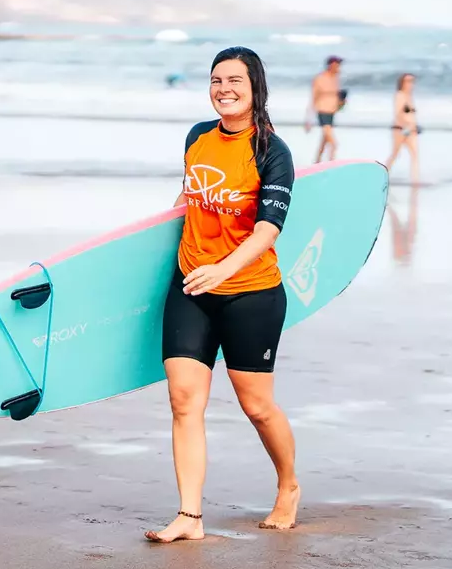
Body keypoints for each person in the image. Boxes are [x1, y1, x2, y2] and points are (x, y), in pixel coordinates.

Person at [146, 46, 299, 543]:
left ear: (255, 86)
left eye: (234, 80)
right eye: (215, 80)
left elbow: (268, 230)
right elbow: (189, 197)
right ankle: (190, 517)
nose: (223, 89)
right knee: (183, 399)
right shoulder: (197, 137)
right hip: (191, 283)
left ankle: (288, 486)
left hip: (250, 291)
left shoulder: (272, 152)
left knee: (256, 406)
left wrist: (224, 270)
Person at [385, 73, 421, 184]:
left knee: (415, 154)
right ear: (402, 83)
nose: (410, 84)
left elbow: (410, 114)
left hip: (410, 130)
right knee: (395, 153)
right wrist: (407, 125)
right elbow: (398, 113)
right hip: (400, 129)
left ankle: (415, 180)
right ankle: (383, 174)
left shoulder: (409, 96)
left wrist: (414, 126)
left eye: (412, 81)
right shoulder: (400, 95)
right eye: (408, 81)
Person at [309, 55, 344, 162]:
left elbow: (337, 100)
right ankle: (332, 165)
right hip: (322, 112)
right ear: (331, 65)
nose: (339, 68)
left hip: (332, 113)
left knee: (324, 142)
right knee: (333, 143)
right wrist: (308, 118)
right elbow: (313, 98)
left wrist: (341, 102)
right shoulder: (320, 78)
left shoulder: (336, 78)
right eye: (337, 65)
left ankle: (316, 162)